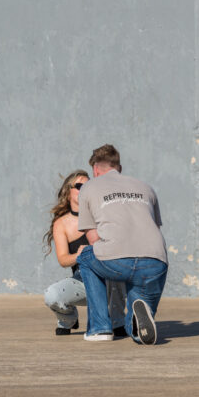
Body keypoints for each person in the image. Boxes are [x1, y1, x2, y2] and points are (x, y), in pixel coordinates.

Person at [77, 144, 168, 344]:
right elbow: (154, 230)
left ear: (95, 169)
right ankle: (136, 325)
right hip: (155, 261)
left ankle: (99, 328)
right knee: (137, 317)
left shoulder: (89, 187)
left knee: (86, 256)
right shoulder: (145, 187)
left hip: (116, 260)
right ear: (119, 167)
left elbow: (94, 240)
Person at [43, 170, 126, 336]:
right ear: (68, 191)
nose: (85, 189)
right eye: (80, 186)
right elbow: (63, 260)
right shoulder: (61, 223)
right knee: (52, 295)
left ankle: (118, 322)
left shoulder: (103, 214)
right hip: (83, 280)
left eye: (89, 185)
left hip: (109, 277)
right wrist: (79, 255)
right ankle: (68, 320)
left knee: (115, 273)